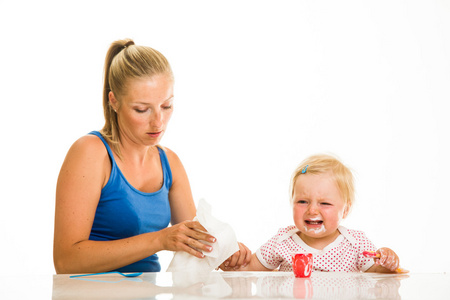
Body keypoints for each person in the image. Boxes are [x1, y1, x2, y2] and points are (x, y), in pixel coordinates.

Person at [53, 39, 250, 274]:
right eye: (141, 109)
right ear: (113, 100)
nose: (159, 122)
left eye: (166, 106)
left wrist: (226, 253)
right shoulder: (91, 153)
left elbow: (195, 244)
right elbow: (66, 261)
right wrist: (160, 240)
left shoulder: (170, 163)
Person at [223, 154, 406, 273]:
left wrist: (388, 264)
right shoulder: (283, 241)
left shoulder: (356, 243)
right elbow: (249, 270)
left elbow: (378, 278)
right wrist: (230, 259)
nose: (312, 210)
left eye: (325, 203)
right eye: (302, 201)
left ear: (346, 209)